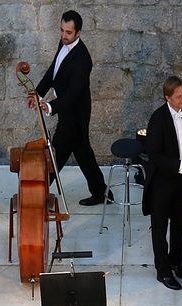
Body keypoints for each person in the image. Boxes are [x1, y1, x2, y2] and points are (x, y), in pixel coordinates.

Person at [29, 9, 111, 206]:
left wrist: (50, 106)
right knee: (82, 151)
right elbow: (53, 71)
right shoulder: (63, 43)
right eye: (62, 30)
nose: (63, 35)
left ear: (78, 33)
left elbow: (74, 93)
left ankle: (36, 194)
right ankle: (101, 193)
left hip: (75, 113)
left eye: (68, 32)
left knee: (56, 153)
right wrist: (37, 93)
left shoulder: (83, 60)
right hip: (66, 108)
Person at [142, 75, 182, 290]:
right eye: (178, 97)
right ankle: (163, 271)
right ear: (168, 98)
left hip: (180, 178)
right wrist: (179, 164)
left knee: (178, 222)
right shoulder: (158, 119)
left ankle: (176, 262)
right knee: (160, 226)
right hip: (161, 180)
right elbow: (153, 155)